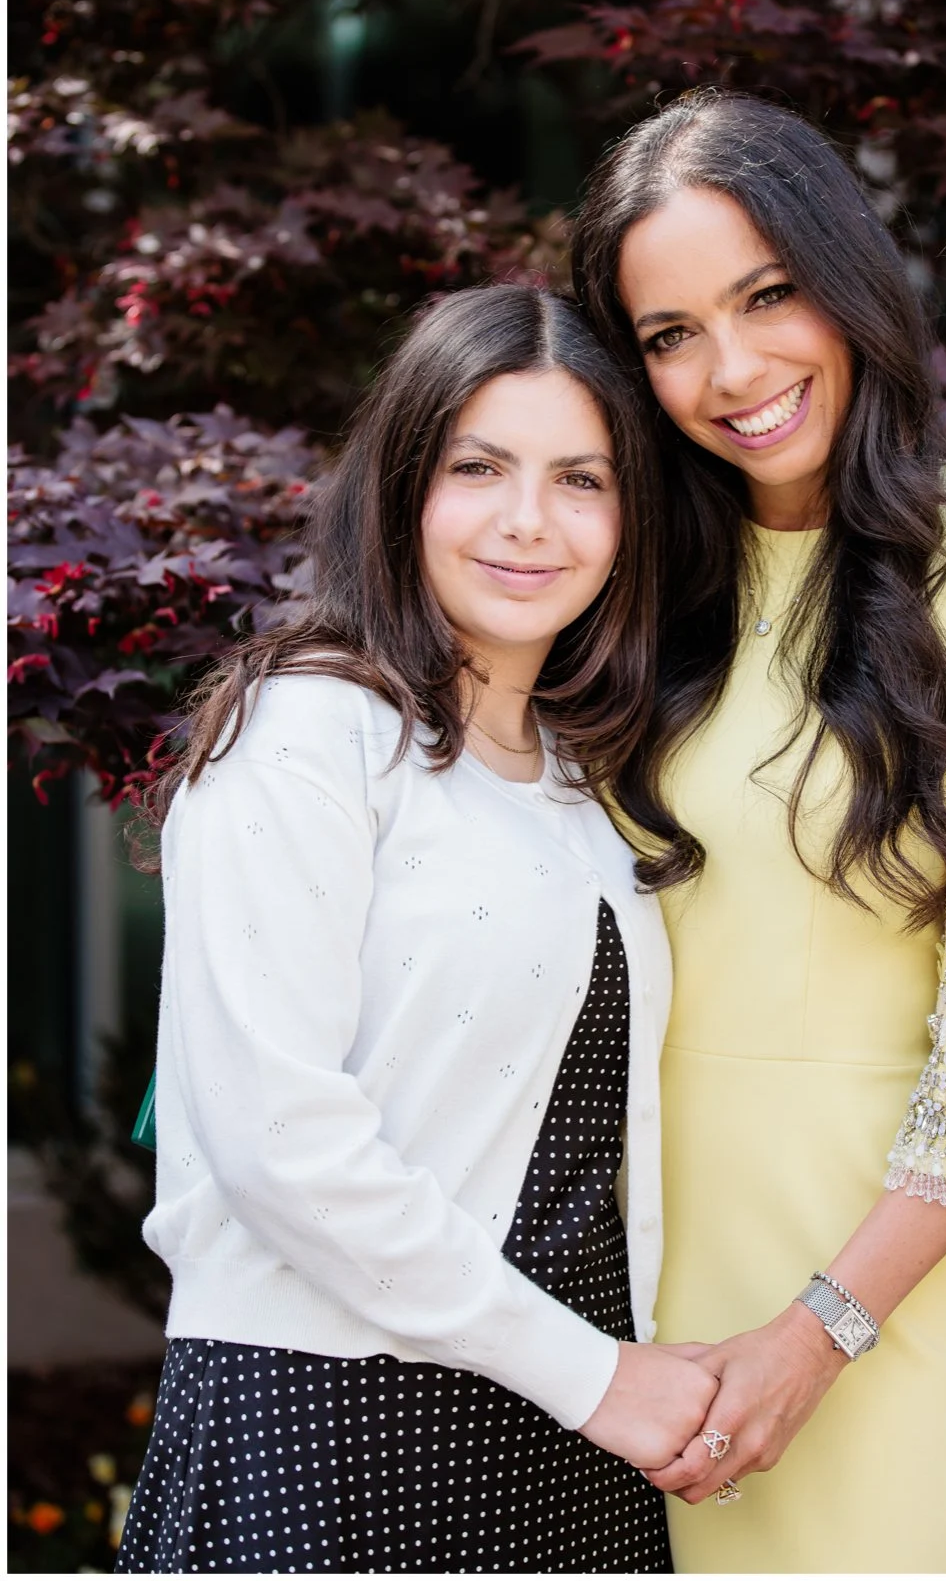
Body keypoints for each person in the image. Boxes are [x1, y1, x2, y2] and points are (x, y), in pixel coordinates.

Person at [569, 92, 946, 1571]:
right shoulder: (612, 584)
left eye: (767, 296)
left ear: (851, 281)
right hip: (579, 1314)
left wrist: (814, 1337)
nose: (732, 369)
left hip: (862, 1307)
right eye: (669, 332)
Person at [119, 286, 715, 1572]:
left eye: (581, 479)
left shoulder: (581, 779)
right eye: (478, 467)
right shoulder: (303, 737)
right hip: (333, 1418)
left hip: (569, 1438)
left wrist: (613, 1378)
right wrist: (597, 1376)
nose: (528, 521)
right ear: (401, 488)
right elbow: (281, 1139)